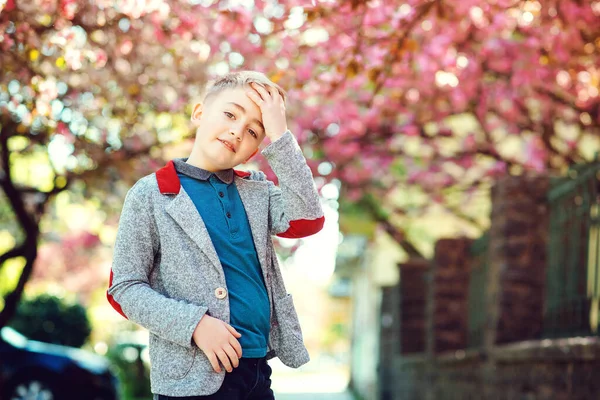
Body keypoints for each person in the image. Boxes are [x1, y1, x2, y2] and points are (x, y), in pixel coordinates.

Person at [107, 70, 325, 399]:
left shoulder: (259, 192)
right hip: (190, 379)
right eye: (229, 114)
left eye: (254, 131)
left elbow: (308, 219)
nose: (238, 130)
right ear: (199, 113)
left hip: (255, 373)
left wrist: (279, 135)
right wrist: (194, 325)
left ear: (256, 148)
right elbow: (123, 288)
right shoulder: (150, 195)